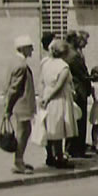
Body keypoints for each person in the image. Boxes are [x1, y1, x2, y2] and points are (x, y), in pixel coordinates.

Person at [40, 39, 78, 169]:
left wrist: (43, 97)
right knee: (59, 127)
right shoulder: (63, 66)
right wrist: (49, 98)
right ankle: (59, 157)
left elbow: (41, 82)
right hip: (59, 98)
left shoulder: (45, 63)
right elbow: (59, 86)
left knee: (49, 127)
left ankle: (49, 156)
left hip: (46, 94)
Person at [4, 35, 37, 175]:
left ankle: (20, 160)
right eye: (30, 47)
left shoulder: (16, 62)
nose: (32, 50)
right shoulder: (21, 65)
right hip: (21, 104)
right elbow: (14, 89)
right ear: (23, 48)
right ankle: (18, 162)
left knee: (25, 131)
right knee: (23, 132)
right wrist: (8, 109)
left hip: (21, 104)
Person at [64, 30, 92, 158]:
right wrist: (91, 78)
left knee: (76, 119)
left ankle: (76, 148)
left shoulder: (70, 53)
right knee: (79, 120)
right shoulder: (74, 55)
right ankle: (77, 149)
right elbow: (82, 74)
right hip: (78, 90)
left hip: (77, 89)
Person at [40, 32, 58, 167]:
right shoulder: (45, 62)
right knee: (50, 127)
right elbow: (41, 81)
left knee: (55, 127)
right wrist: (42, 97)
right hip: (50, 96)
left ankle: (55, 154)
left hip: (50, 95)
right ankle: (50, 155)